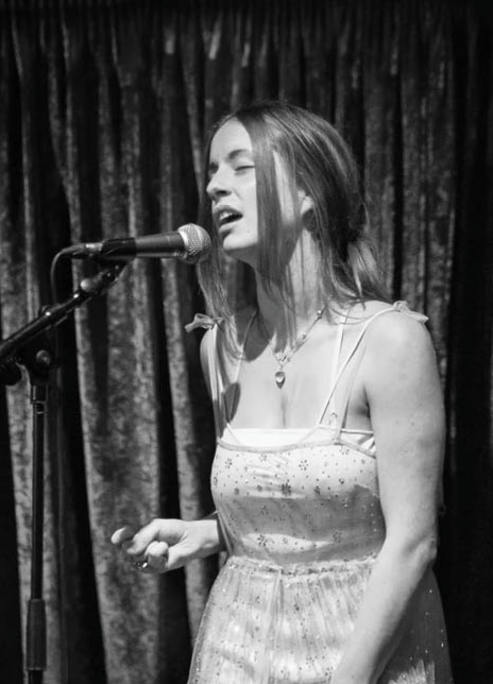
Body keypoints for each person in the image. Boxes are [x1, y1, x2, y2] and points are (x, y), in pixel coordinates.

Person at [111, 101, 453, 683]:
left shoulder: (389, 340)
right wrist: (208, 532)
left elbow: (413, 541)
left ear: (308, 192)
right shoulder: (219, 346)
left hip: (361, 649)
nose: (215, 187)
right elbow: (288, 498)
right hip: (239, 643)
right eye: (212, 172)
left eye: (240, 167)